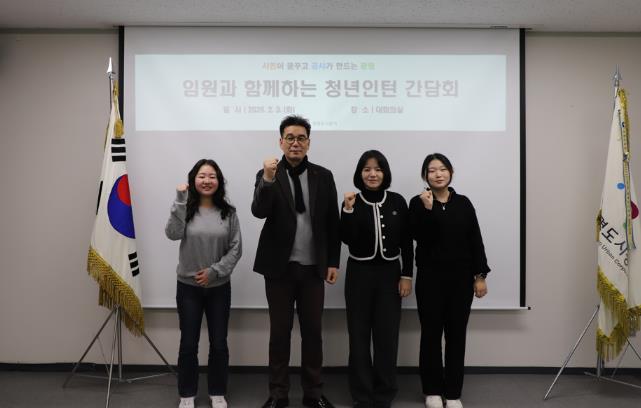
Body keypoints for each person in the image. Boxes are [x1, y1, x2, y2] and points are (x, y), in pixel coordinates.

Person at [252, 115, 341, 408]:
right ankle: (278, 394)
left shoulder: (323, 176)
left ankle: (313, 393)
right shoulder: (268, 174)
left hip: (313, 269)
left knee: (313, 333)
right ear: (280, 142)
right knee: (279, 334)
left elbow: (332, 222)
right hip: (279, 269)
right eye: (289, 138)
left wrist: (333, 262)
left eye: (301, 138)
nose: (295, 143)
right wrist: (267, 179)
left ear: (308, 143)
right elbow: (259, 211)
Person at [408, 153, 489, 408]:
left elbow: (475, 240)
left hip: (460, 281)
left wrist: (480, 275)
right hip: (430, 280)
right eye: (432, 170)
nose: (438, 174)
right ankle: (432, 390)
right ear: (425, 175)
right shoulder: (417, 203)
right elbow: (420, 237)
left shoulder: (463, 203)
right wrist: (429, 209)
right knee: (430, 336)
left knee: (456, 336)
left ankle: (453, 392)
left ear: (451, 172)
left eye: (443, 169)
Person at [165, 159, 242, 408]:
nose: (207, 180)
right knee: (189, 343)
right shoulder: (184, 209)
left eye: (212, 176)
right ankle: (187, 393)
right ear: (193, 180)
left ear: (219, 181)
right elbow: (172, 234)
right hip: (188, 288)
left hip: (219, 288)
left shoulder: (228, 213)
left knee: (219, 343)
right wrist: (180, 199)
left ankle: (217, 391)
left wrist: (214, 272)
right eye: (201, 176)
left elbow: (236, 248)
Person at [340, 150, 413, 408]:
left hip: (390, 275)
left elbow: (407, 242)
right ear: (360, 173)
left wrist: (407, 275)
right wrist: (348, 210)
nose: (373, 174)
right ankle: (361, 395)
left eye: (378, 169)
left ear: (385, 173)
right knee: (358, 337)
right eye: (367, 169)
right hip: (359, 275)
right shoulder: (351, 201)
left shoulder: (397, 201)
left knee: (387, 337)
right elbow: (346, 239)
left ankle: (384, 394)